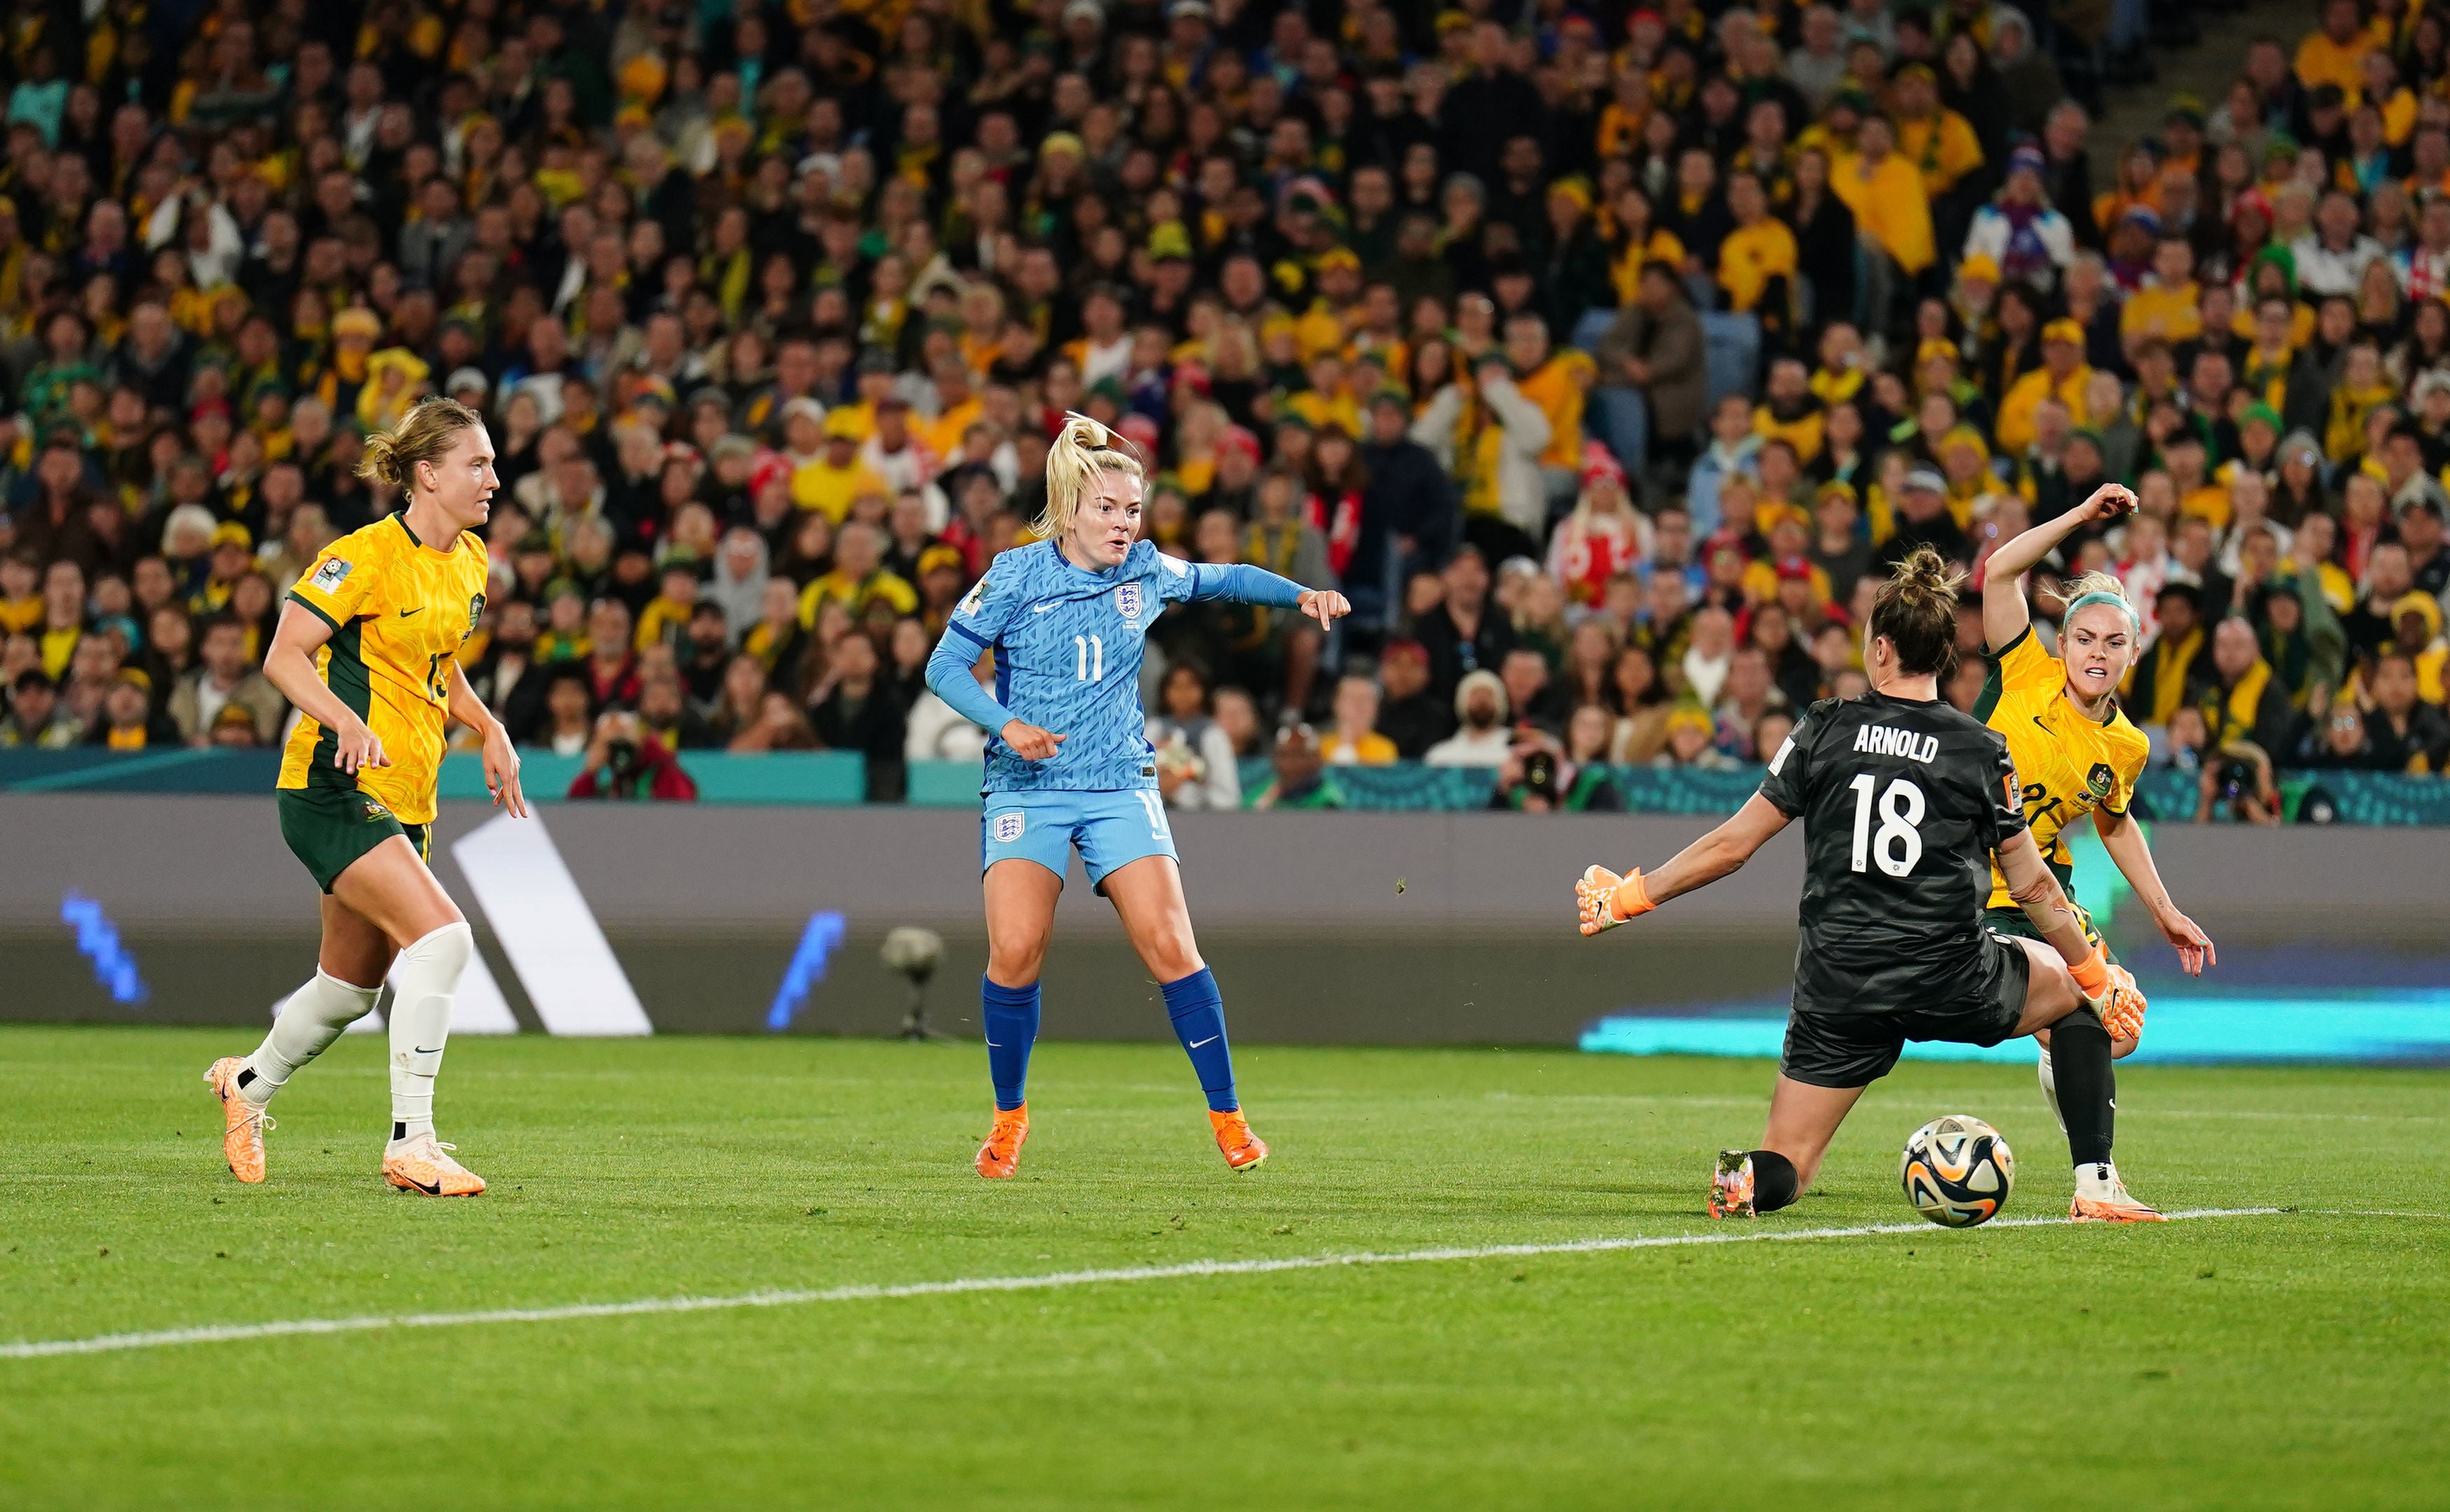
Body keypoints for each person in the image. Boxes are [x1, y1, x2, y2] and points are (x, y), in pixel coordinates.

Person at [1576, 549, 2160, 1223]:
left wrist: (1630, 895)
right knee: (2074, 998)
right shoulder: (1978, 749)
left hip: (1839, 984)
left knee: (1788, 1163)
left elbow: (1732, 847)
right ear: (1946, 657)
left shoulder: (1823, 728)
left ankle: (1734, 1182)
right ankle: (2095, 1186)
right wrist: (2094, 971)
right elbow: (2033, 886)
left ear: (1879, 648)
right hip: (1951, 973)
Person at [921, 414, 1350, 1179]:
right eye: (1108, 510)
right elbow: (945, 668)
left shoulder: (1145, 570)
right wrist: (1005, 722)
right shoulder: (1015, 576)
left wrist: (1301, 595)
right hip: (1029, 784)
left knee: (1172, 949)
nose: (1123, 524)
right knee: (1014, 953)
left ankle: (1229, 1119)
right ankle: (1008, 1117)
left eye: (1132, 511)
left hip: (1119, 781)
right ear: (1068, 508)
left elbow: (1227, 579)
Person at [204, 397, 526, 1198]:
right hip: (333, 784)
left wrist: (488, 727)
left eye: (490, 463)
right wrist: (344, 718)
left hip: (409, 796)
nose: (493, 477)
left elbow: (436, 667)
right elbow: (284, 656)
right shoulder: (364, 556)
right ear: (427, 475)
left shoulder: (471, 560)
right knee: (444, 939)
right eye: (476, 464)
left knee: (347, 991)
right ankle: (411, 1142)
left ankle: (244, 1089)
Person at [1977, 485, 2217, 1126]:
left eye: (2115, 643)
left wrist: (2164, 911)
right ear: (2063, 646)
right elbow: (1999, 572)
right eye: (2084, 638)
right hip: (1959, 874)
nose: (2097, 653)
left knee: (2121, 1025)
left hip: (2037, 891)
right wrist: (2081, 516)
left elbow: (2115, 821)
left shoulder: (2127, 745)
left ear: (2134, 655)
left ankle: (2077, 1116)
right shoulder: (2024, 673)